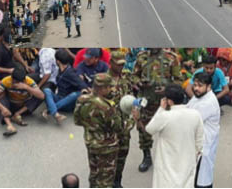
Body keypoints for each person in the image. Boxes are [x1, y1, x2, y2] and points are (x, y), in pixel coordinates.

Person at [132, 83, 204, 188]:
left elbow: (149, 130)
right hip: (187, 162)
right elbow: (200, 141)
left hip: (167, 164)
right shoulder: (195, 114)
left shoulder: (165, 116)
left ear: (169, 101)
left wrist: (160, 109)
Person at [132, 48, 182, 173]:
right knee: (143, 130)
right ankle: (146, 156)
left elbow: (179, 80)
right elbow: (134, 76)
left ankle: (170, 159)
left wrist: (167, 88)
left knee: (169, 131)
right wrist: (139, 83)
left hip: (165, 102)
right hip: (146, 100)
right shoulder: (141, 57)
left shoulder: (171, 57)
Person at [73, 73, 122, 188]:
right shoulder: (106, 107)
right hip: (106, 147)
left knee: (94, 174)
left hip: (91, 143)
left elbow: (77, 121)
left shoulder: (82, 99)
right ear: (102, 88)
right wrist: (132, 119)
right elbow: (118, 127)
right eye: (109, 87)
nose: (111, 89)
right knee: (105, 179)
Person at [187, 71, 221, 188]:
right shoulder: (199, 97)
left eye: (200, 86)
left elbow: (191, 120)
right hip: (197, 144)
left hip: (204, 146)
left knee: (201, 179)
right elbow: (188, 108)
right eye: (195, 85)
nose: (196, 88)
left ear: (209, 87)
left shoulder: (209, 102)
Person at [106, 51, 134, 188]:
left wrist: (132, 120)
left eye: (122, 64)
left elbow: (130, 95)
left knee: (123, 154)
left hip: (125, 125)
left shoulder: (126, 76)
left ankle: (117, 181)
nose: (120, 67)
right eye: (118, 65)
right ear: (111, 63)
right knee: (108, 157)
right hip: (109, 126)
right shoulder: (103, 80)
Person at [0, 67, 44, 136]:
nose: (16, 84)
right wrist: (2, 108)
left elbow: (42, 96)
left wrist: (26, 87)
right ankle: (10, 126)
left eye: (19, 82)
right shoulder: (6, 80)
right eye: (14, 82)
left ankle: (17, 114)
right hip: (11, 104)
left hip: (24, 106)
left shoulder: (28, 81)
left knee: (38, 96)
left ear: (23, 80)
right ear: (12, 78)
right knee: (1, 96)